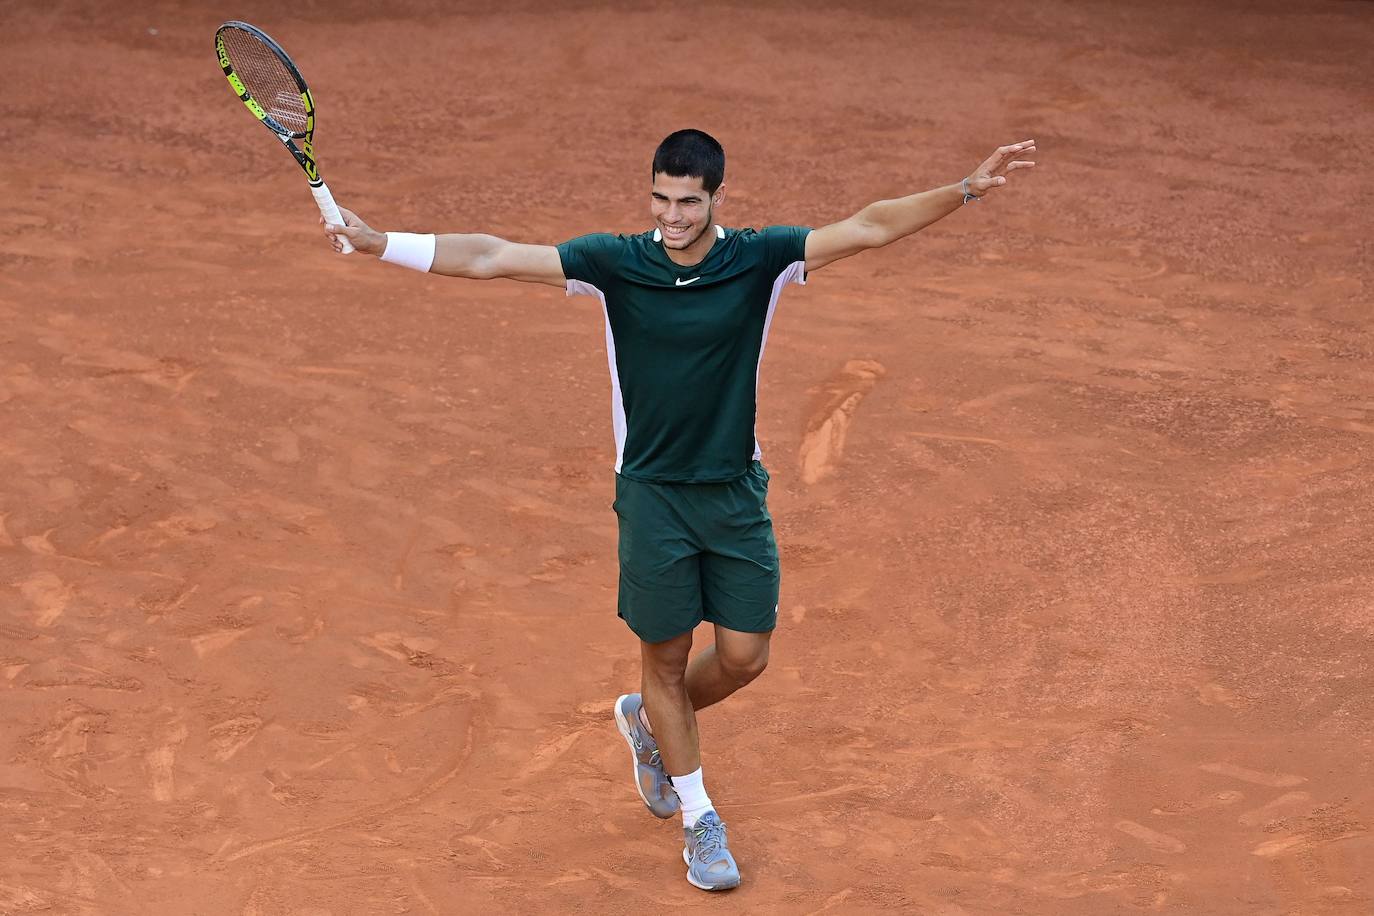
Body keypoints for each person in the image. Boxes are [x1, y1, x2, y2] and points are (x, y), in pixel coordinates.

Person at [323, 129, 1036, 891]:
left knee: (744, 657)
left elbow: (869, 226)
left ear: (718, 197)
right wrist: (379, 242)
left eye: (688, 201)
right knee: (663, 660)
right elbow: (494, 255)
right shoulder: (614, 263)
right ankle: (700, 820)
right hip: (653, 496)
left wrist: (963, 189)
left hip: (734, 492)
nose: (671, 215)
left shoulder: (761, 260)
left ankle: (652, 722)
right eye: (660, 198)